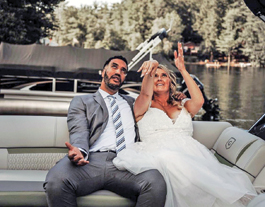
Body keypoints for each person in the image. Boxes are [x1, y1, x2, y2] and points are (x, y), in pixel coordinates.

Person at [113, 42, 257, 207]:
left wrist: (182, 69)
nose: (159, 78)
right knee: (171, 158)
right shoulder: (142, 106)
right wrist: (150, 70)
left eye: (163, 75)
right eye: (155, 76)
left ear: (170, 81)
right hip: (157, 153)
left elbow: (199, 100)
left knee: (187, 167)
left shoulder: (182, 103)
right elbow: (146, 93)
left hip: (193, 154)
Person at [44, 56, 167, 207]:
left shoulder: (132, 103)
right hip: (91, 162)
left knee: (156, 182)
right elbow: (79, 129)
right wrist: (80, 150)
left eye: (123, 71)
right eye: (114, 67)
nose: (118, 72)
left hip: (127, 162)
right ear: (102, 72)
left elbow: (152, 97)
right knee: (56, 181)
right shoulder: (82, 101)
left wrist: (154, 68)